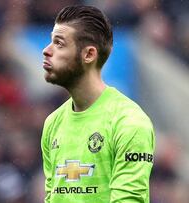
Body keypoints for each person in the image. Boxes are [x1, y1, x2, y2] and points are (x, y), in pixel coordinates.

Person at [41, 5, 155, 203]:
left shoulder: (129, 122)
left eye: (59, 43)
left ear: (89, 55)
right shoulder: (52, 123)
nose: (46, 50)